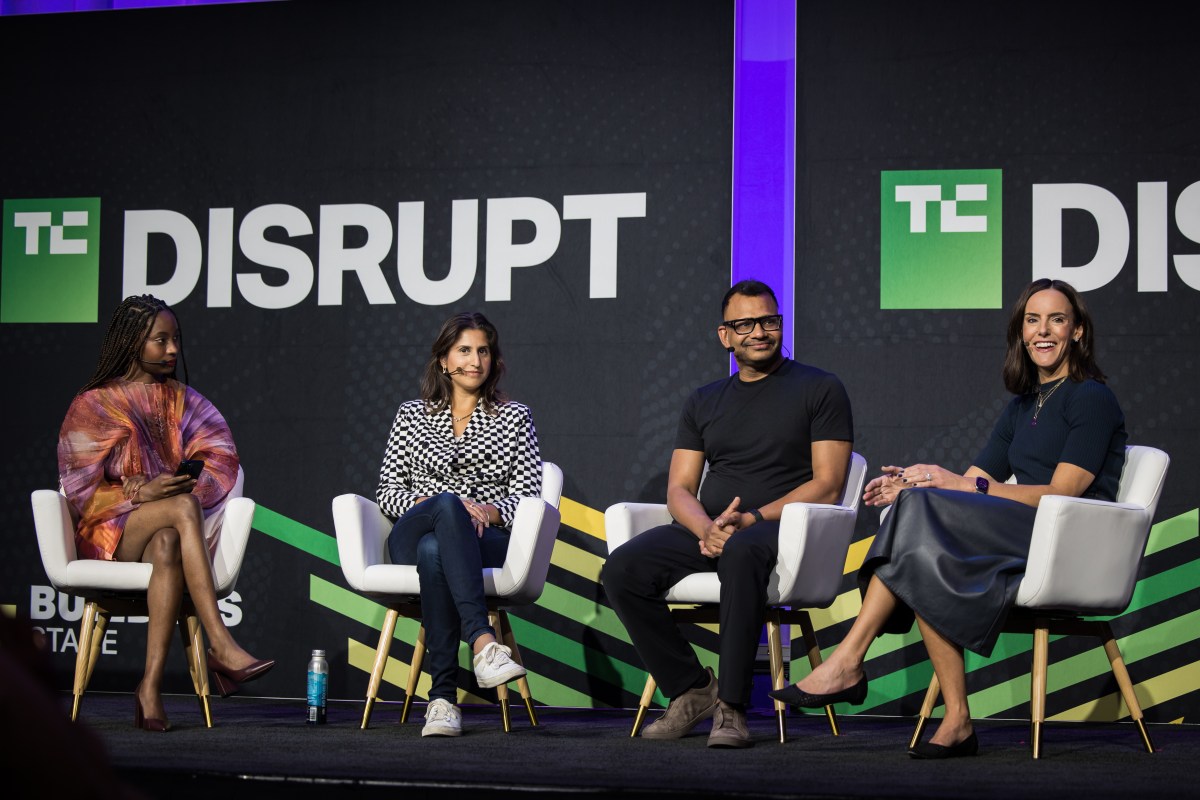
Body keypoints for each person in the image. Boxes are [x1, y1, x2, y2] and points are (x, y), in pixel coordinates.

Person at [769, 278, 1127, 759]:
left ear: (1077, 331)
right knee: (921, 546)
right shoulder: (1023, 405)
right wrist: (915, 485)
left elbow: (1063, 493)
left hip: (1069, 540)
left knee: (921, 534)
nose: (1043, 331)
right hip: (1023, 531)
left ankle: (850, 661)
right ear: (1020, 332)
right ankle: (954, 719)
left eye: (1057, 320)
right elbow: (976, 478)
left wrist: (955, 486)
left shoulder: (1091, 398)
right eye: (1032, 320)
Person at [603, 280, 854, 748]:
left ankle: (733, 707)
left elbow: (829, 483)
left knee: (740, 551)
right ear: (725, 335)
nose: (759, 332)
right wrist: (705, 528)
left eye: (769, 321)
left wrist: (752, 519)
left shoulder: (820, 388)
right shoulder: (704, 400)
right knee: (622, 569)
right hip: (712, 526)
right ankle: (692, 688)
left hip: (782, 527)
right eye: (745, 324)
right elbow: (679, 488)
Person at [57, 295, 274, 733]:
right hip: (108, 533)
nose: (173, 349)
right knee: (182, 508)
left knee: (170, 540)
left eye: (176, 339)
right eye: (161, 340)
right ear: (133, 342)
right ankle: (220, 643)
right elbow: (80, 488)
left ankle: (150, 687)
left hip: (163, 533)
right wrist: (139, 494)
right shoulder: (94, 404)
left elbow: (220, 457)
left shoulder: (183, 400)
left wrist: (170, 484)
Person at [376, 311, 543, 737]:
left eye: (483, 351)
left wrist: (485, 511)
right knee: (445, 510)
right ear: (443, 360)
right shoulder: (411, 415)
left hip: (483, 540)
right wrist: (439, 503)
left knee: (436, 551)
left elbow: (527, 497)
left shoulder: (514, 416)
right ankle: (483, 642)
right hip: (412, 531)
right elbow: (388, 492)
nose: (475, 360)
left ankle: (442, 701)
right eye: (464, 350)